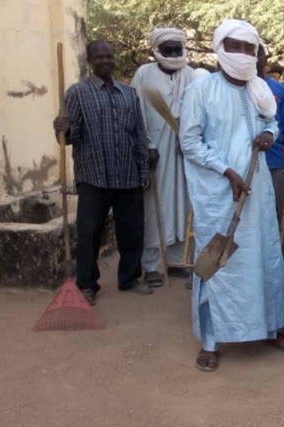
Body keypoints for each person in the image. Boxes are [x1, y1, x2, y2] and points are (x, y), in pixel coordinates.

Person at [179, 19, 284, 372]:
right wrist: (226, 171)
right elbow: (189, 142)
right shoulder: (200, 91)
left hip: (256, 190)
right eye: (236, 46)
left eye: (250, 48)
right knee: (220, 264)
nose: (244, 54)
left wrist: (267, 134)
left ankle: (270, 328)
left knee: (265, 257)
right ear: (219, 49)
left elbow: (272, 122)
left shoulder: (258, 89)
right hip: (218, 194)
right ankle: (212, 340)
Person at [52, 40, 151, 305]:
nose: (105, 61)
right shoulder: (77, 93)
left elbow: (138, 135)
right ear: (90, 61)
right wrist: (62, 128)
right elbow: (70, 137)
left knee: (131, 230)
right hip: (93, 176)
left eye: (109, 56)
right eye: (99, 57)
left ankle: (129, 277)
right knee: (89, 232)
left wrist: (143, 169)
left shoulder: (129, 93)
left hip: (127, 173)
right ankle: (87, 284)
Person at [130, 28, 194, 287]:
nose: (174, 54)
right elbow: (136, 112)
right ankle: (151, 266)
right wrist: (147, 146)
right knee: (154, 207)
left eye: (178, 49)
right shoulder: (144, 74)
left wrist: (189, 139)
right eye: (168, 49)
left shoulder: (190, 75)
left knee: (184, 206)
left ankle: (177, 260)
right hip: (156, 152)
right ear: (156, 50)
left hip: (185, 152)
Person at [257, 43, 284, 263]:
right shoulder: (233, 90)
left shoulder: (278, 90)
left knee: (278, 215)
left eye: (259, 56)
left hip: (274, 164)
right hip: (242, 165)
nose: (255, 61)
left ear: (265, 61)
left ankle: (282, 263)